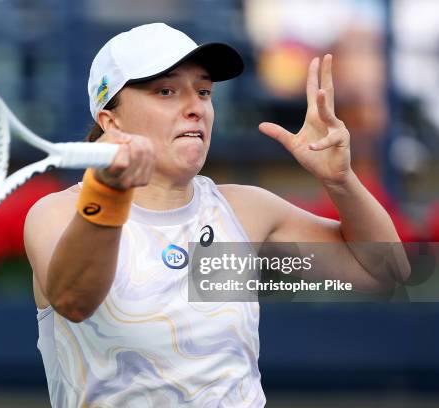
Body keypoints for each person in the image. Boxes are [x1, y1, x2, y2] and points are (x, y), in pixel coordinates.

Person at [24, 23, 408, 407]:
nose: (196, 107)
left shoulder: (245, 210)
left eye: (204, 91)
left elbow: (384, 273)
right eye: (166, 91)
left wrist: (340, 181)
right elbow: (75, 300)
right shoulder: (56, 215)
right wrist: (109, 190)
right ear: (111, 122)